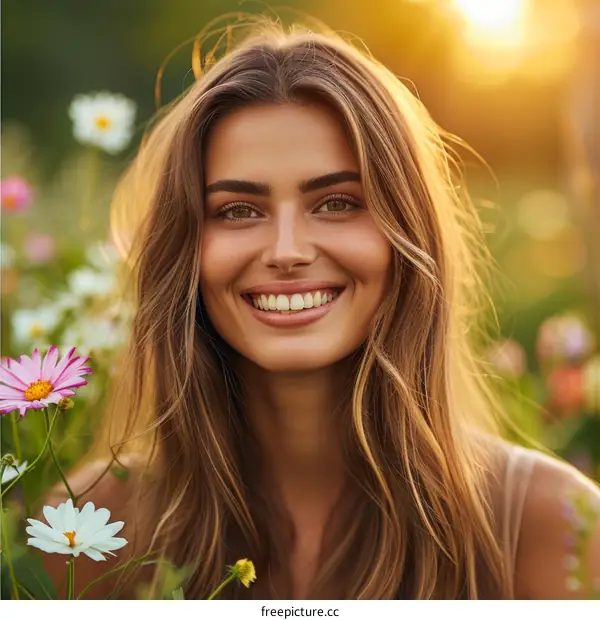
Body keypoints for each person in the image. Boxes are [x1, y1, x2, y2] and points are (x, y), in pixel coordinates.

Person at [41, 18, 600, 600]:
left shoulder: (554, 527)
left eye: (337, 202)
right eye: (238, 210)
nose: (287, 252)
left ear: (408, 237)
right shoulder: (82, 529)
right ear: (183, 250)